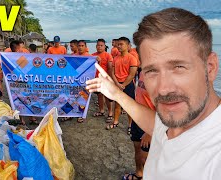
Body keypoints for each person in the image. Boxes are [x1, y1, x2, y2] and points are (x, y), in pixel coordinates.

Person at [86, 8, 221, 179]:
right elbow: (156, 124)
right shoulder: (174, 121)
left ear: (210, 68)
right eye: (151, 71)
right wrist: (116, 93)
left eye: (178, 67)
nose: (163, 89)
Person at [123, 72, 153, 180]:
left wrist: (150, 132)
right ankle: (139, 174)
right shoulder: (143, 72)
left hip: (150, 124)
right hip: (137, 119)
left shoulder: (160, 77)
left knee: (147, 158)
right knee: (137, 148)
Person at [108, 37, 138, 133]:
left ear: (127, 45)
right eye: (118, 44)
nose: (119, 46)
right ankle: (115, 121)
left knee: (128, 106)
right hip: (117, 84)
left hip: (128, 84)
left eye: (121, 44)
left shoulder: (132, 58)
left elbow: (132, 74)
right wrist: (117, 83)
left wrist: (123, 85)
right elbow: (112, 72)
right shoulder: (115, 58)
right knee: (117, 105)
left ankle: (130, 125)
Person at [91, 39, 114, 123]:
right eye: (98, 45)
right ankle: (101, 110)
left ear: (104, 46)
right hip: (96, 79)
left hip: (105, 79)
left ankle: (110, 113)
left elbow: (110, 68)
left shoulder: (108, 55)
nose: (99, 47)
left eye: (101, 45)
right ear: (96, 46)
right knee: (99, 96)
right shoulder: (93, 55)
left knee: (107, 97)